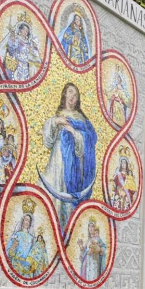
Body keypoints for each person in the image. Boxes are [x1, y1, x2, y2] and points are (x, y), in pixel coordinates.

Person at [38, 83, 98, 232]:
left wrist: (74, 132)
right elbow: (47, 141)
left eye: (76, 94)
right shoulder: (58, 115)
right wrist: (55, 122)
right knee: (52, 190)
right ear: (64, 94)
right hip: (58, 158)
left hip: (73, 164)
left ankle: (65, 231)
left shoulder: (82, 120)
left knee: (66, 198)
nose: (73, 96)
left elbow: (91, 139)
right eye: (70, 92)